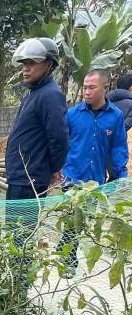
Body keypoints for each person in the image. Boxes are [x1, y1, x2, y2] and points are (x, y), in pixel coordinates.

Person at [58, 69, 129, 275]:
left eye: (92, 88)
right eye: (85, 88)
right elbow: (62, 144)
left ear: (104, 88)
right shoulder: (72, 115)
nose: (86, 92)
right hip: (71, 177)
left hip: (95, 181)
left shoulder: (115, 117)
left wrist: (120, 175)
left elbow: (118, 147)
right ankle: (68, 262)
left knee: (82, 221)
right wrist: (59, 169)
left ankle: (64, 257)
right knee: (74, 218)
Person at [4, 38, 69, 228]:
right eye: (24, 64)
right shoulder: (34, 93)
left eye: (31, 63)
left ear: (49, 65)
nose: (25, 68)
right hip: (21, 176)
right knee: (12, 235)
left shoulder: (50, 95)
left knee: (19, 234)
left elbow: (59, 138)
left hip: (29, 178)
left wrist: (51, 168)